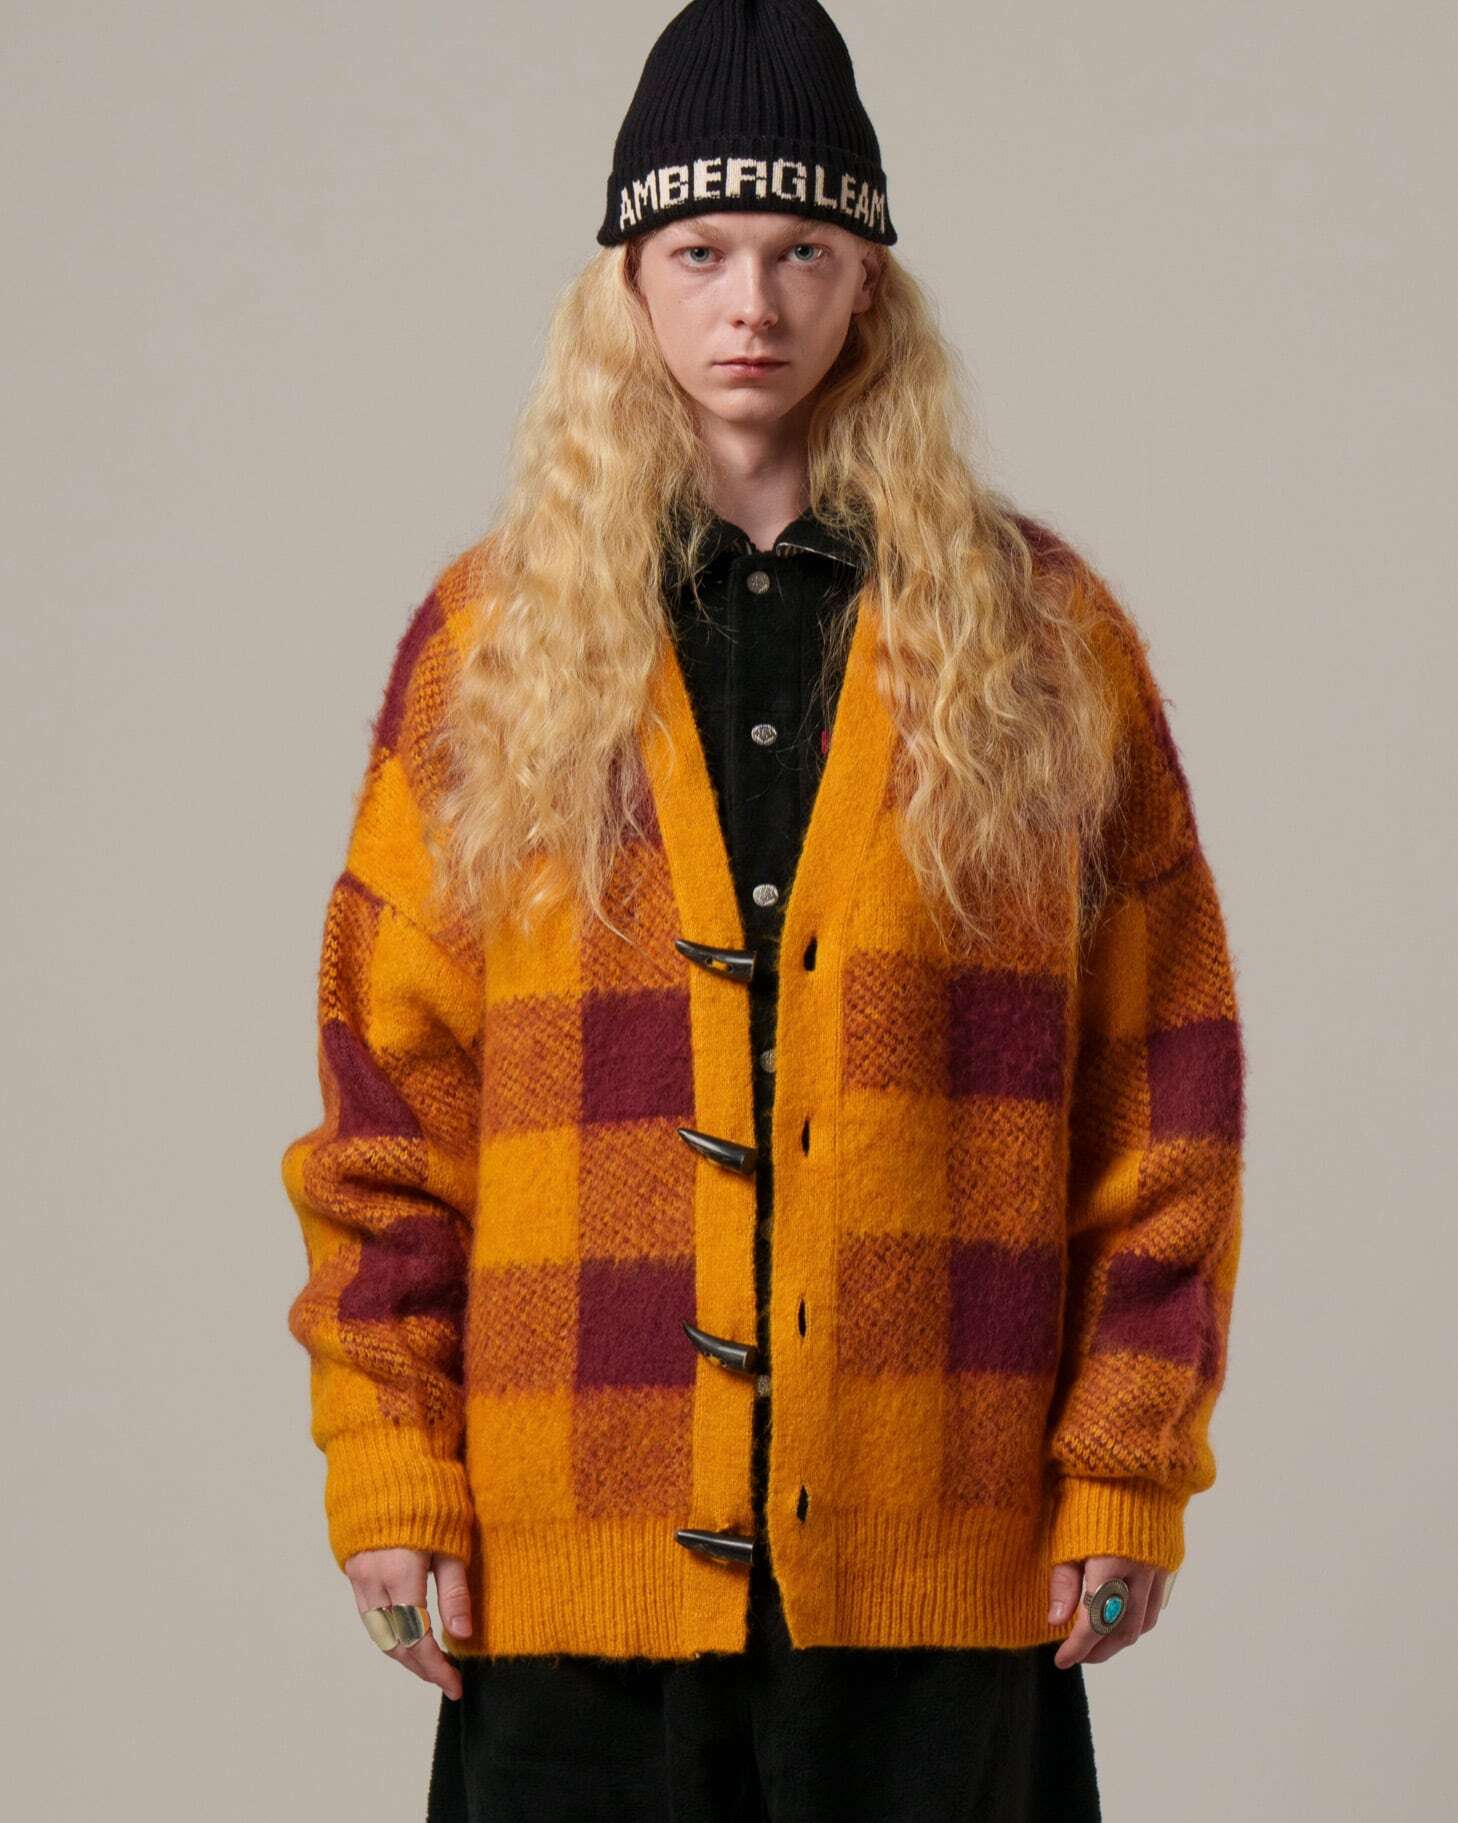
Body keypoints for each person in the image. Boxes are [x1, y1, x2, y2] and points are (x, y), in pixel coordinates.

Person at [279, 3, 1247, 1817]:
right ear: (625, 284)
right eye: (699, 252)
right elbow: (387, 1116)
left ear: (869, 285)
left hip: (936, 1543)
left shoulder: (1040, 636)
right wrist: (390, 1469)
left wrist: (1124, 1464)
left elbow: (1159, 1095)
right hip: (575, 1541)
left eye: (803, 250)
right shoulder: (488, 643)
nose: (751, 304)